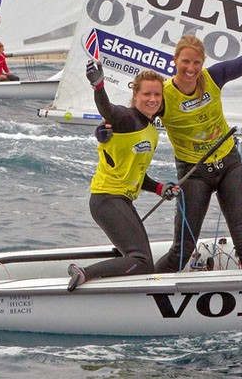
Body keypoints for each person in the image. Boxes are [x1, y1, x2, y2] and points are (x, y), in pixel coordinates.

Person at [153, 6, 242, 273]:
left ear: (202, 63)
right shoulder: (163, 95)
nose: (191, 69)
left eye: (196, 63)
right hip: (194, 173)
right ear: (175, 60)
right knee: (181, 250)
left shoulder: (214, 77)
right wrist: (107, 128)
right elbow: (135, 119)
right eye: (185, 62)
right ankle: (144, 290)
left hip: (228, 164)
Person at [66, 63, 179, 292]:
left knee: (138, 258)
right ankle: (85, 273)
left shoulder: (150, 129)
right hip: (107, 200)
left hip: (121, 201)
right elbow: (108, 110)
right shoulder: (127, 118)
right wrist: (98, 86)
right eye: (146, 93)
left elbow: (136, 173)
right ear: (135, 95)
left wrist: (159, 188)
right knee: (142, 261)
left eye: (157, 94)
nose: (152, 99)